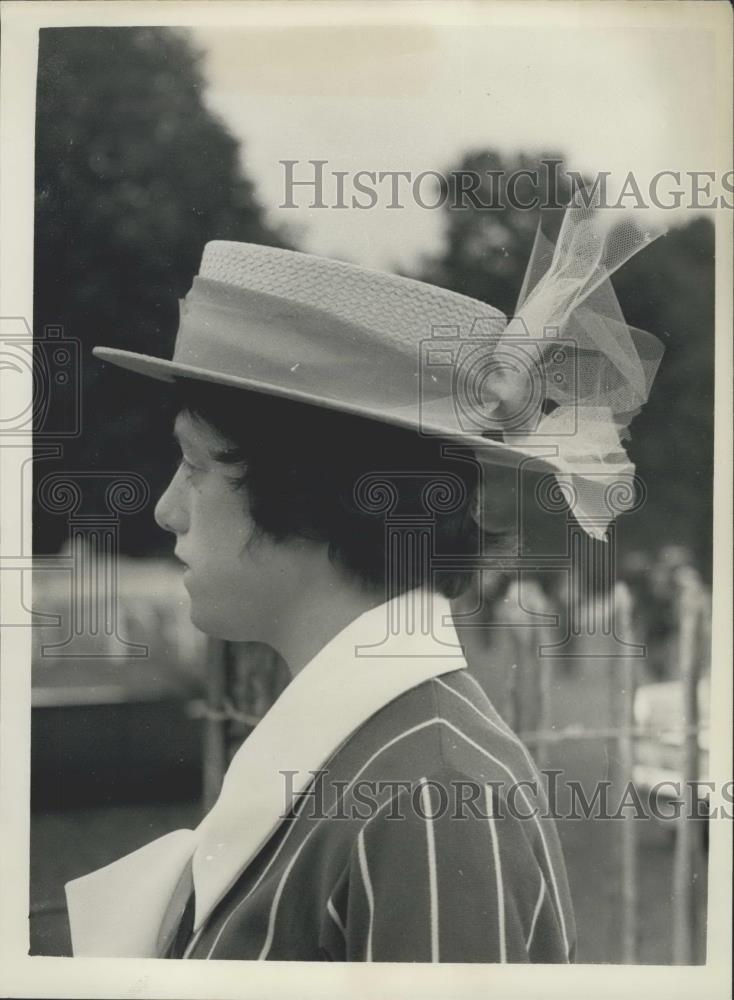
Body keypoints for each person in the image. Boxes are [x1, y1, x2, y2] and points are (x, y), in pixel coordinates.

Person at [65, 207, 661, 961]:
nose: (166, 508)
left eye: (195, 466)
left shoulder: (430, 794)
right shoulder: (367, 748)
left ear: (308, 493)